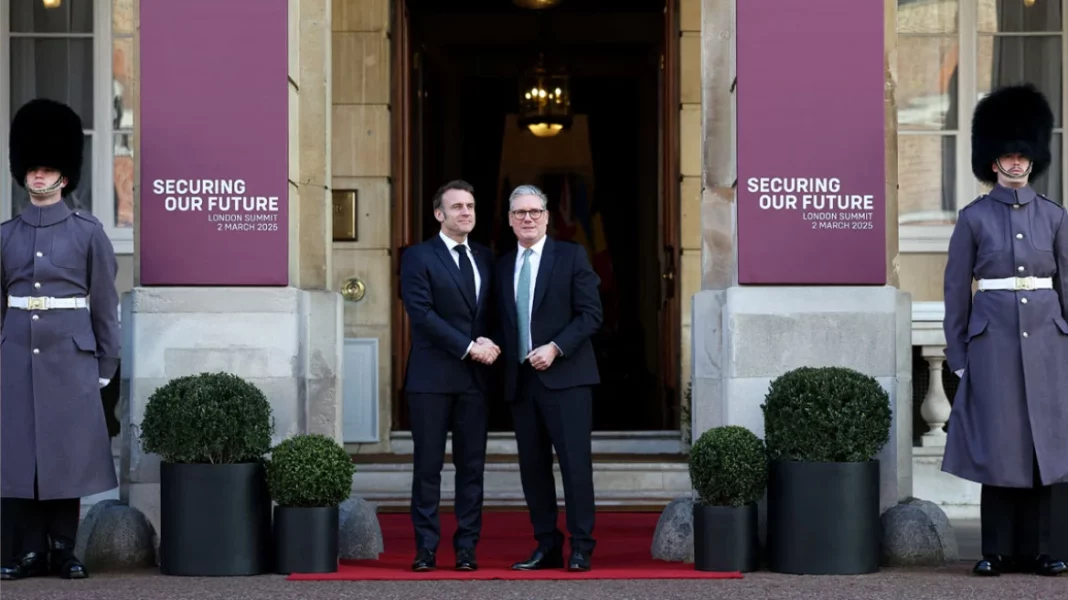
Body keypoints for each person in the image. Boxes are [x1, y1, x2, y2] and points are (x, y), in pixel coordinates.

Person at [942, 83, 1068, 578]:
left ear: (1033, 160)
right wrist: (958, 354)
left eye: (1022, 155)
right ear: (993, 161)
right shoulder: (973, 219)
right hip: (992, 342)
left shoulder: (1054, 217)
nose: (1016, 163)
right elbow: (957, 290)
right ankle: (995, 550)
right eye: (1008, 156)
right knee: (999, 444)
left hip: (1048, 344)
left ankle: (1043, 550)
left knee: (1044, 446)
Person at [0, 98, 121, 580]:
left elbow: (104, 304)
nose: (38, 175)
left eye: (47, 168)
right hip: (15, 359)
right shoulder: (7, 236)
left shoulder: (88, 233)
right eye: (32, 167)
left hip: (70, 359)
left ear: (64, 176)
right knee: (20, 456)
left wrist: (106, 365)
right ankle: (28, 550)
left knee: (65, 455)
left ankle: (62, 549)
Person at [489, 184, 603, 572]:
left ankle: (582, 546)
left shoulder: (571, 256)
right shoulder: (502, 265)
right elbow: (499, 321)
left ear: (547, 217)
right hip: (521, 383)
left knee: (574, 466)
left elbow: (591, 314)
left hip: (567, 380)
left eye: (534, 211)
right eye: (520, 212)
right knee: (533, 470)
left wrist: (555, 347)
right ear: (510, 219)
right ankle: (546, 545)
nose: (528, 218)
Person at [399, 179, 499, 572]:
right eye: (457, 206)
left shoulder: (486, 257)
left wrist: (491, 340)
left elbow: (494, 311)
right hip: (431, 380)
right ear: (439, 214)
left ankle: (466, 549)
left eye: (470, 206)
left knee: (472, 470)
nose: (466, 212)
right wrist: (470, 347)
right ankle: (425, 549)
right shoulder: (418, 256)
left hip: (475, 382)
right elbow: (422, 315)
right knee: (428, 468)